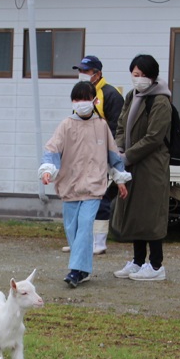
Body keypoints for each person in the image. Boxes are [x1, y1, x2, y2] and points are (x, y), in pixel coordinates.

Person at [40, 81, 131, 288]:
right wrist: (47, 170)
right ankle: (83, 270)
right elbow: (52, 150)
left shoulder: (101, 126)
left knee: (85, 226)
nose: (82, 103)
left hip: (94, 186)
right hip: (69, 186)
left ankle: (74, 271)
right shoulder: (66, 125)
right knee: (72, 229)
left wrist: (120, 179)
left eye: (85, 98)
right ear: (73, 101)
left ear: (94, 100)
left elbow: (112, 155)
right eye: (78, 99)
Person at [111, 54, 173, 282]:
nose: (138, 80)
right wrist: (118, 149)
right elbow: (120, 125)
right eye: (135, 75)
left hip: (151, 165)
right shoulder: (132, 95)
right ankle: (138, 262)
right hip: (131, 162)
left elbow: (154, 137)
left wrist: (127, 156)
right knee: (136, 213)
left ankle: (156, 264)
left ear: (153, 76)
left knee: (151, 214)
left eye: (143, 75)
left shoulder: (160, 101)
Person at [72, 55, 124, 256]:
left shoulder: (110, 94)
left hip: (101, 154)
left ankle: (100, 241)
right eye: (81, 71)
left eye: (86, 71)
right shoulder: (82, 94)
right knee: (80, 196)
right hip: (82, 154)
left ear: (98, 73)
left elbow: (116, 127)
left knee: (99, 196)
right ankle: (81, 240)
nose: (82, 75)